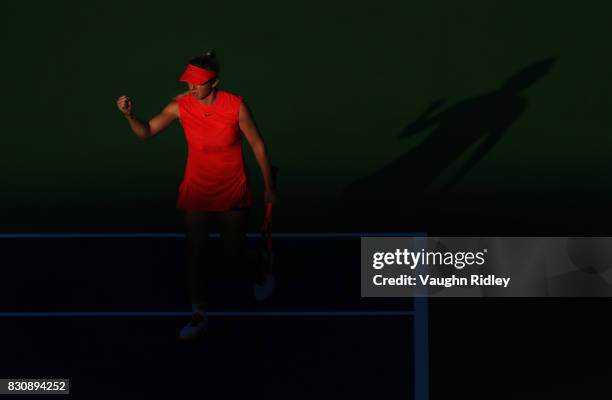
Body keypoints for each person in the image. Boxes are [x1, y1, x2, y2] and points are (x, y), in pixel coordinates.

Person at [116, 49, 278, 341]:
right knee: (195, 253)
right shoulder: (180, 106)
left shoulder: (236, 106)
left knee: (233, 255)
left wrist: (269, 188)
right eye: (188, 82)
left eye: (198, 83)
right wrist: (130, 116)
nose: (191, 87)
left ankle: (260, 263)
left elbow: (258, 147)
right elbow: (147, 132)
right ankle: (199, 314)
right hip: (196, 190)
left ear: (214, 82)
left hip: (232, 190)